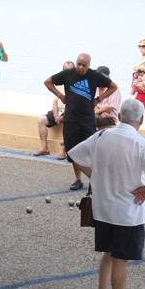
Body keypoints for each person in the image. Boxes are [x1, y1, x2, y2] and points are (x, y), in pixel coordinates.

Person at [68, 99, 145, 289]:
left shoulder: (102, 136)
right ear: (141, 119)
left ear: (119, 116)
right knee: (121, 259)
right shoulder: (142, 142)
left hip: (103, 209)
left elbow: (74, 153)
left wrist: (95, 175)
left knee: (109, 252)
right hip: (128, 211)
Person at [44, 54, 117, 191]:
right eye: (79, 64)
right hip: (71, 118)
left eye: (84, 65)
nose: (80, 67)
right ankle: (78, 180)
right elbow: (48, 82)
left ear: (88, 65)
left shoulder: (94, 75)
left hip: (88, 119)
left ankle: (95, 179)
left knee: (93, 149)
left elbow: (113, 86)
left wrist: (99, 99)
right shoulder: (68, 74)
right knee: (72, 150)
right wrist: (61, 96)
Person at [34, 61, 74, 157]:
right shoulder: (60, 84)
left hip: (70, 112)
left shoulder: (75, 85)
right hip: (58, 110)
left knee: (68, 122)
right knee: (41, 120)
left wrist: (62, 116)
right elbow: (55, 101)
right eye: (65, 70)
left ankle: (63, 150)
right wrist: (56, 115)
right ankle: (44, 148)